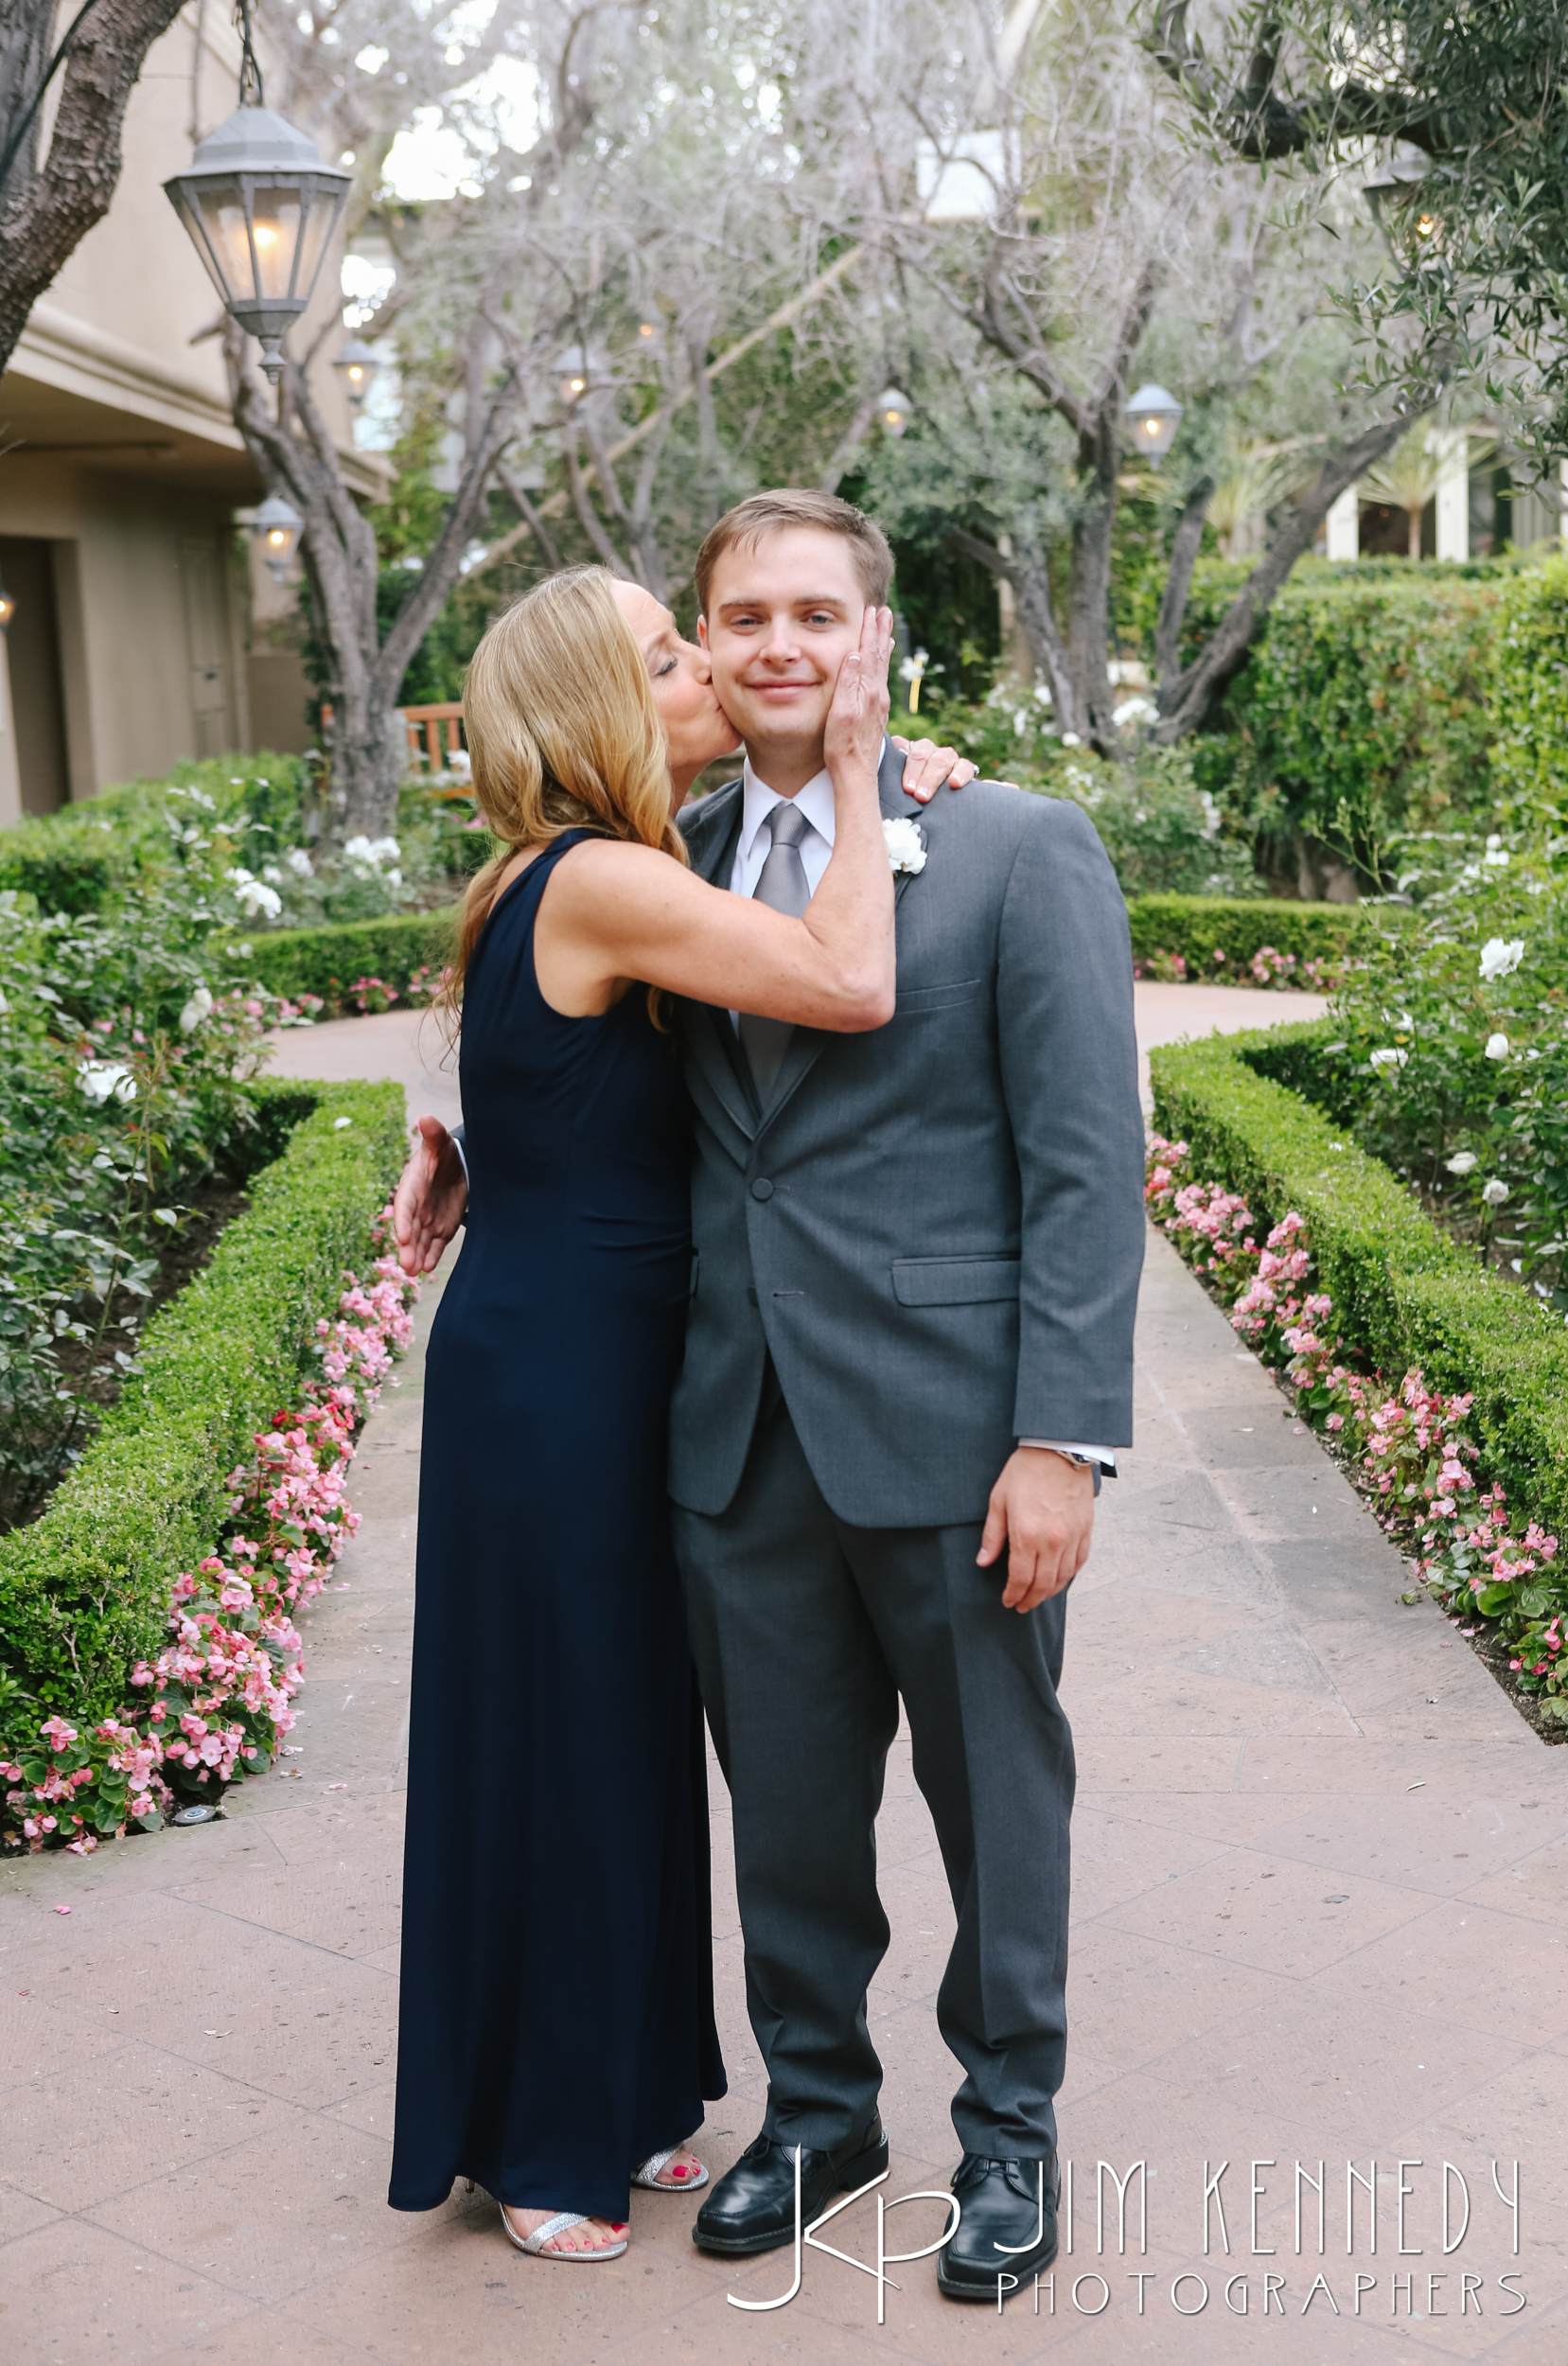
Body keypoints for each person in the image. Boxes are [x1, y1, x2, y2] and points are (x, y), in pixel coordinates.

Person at [396, 491, 1146, 2303]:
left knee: (997, 1809)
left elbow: (1083, 1161)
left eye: (819, 612)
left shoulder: (1013, 846)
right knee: (789, 1818)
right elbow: (608, 1097)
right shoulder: (672, 847)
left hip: (958, 1430)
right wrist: (479, 1164)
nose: (780, 645)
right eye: (739, 618)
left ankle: (1011, 2141)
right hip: (723, 1434)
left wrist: (1063, 1438)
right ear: (711, 652)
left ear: (873, 634)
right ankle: (816, 2114)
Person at [386, 563, 904, 2264]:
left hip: (583, 1355)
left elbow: (484, 1052)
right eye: (672, 654)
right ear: (603, 708)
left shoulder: (568, 874)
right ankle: (544, 2140)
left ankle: (613, 2092)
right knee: (559, 1732)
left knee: (610, 1729)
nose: (709, 672)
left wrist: (447, 1138)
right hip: (559, 1379)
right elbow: (848, 983)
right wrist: (860, 764)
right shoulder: (605, 875)